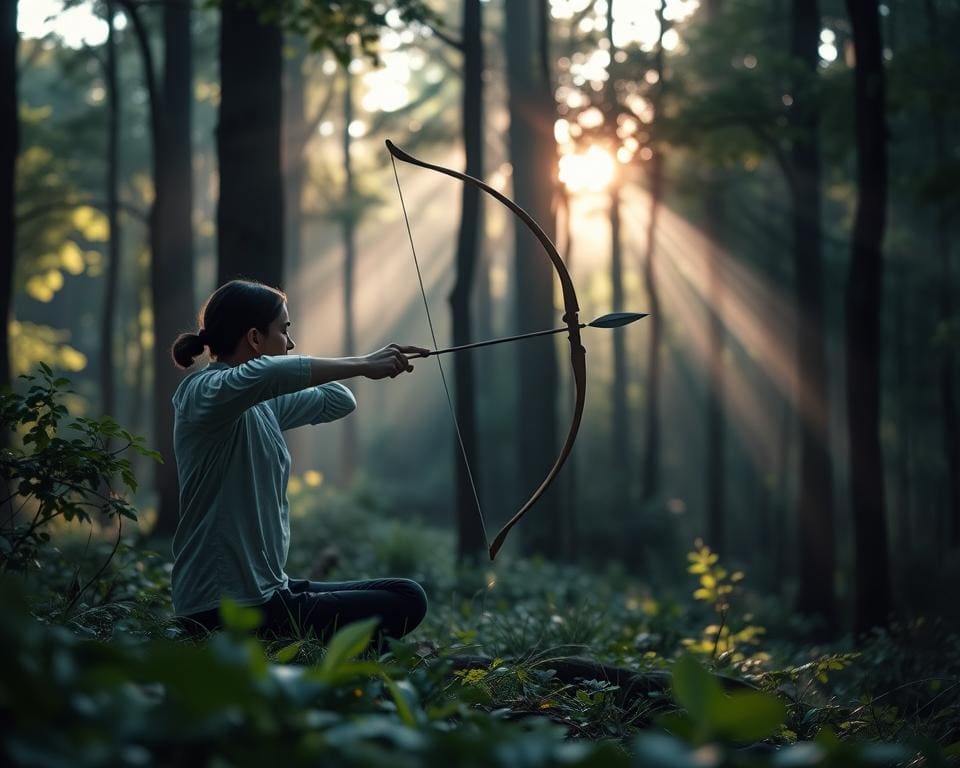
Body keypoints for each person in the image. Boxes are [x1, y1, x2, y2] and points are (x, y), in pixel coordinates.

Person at [169, 279, 429, 642]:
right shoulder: (202, 394)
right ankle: (346, 654)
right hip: (222, 606)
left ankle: (343, 650)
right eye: (284, 331)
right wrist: (363, 363)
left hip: (268, 591)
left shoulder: (261, 403)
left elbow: (339, 399)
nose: (290, 344)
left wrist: (353, 368)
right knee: (406, 601)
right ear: (255, 338)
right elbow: (269, 373)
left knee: (404, 592)